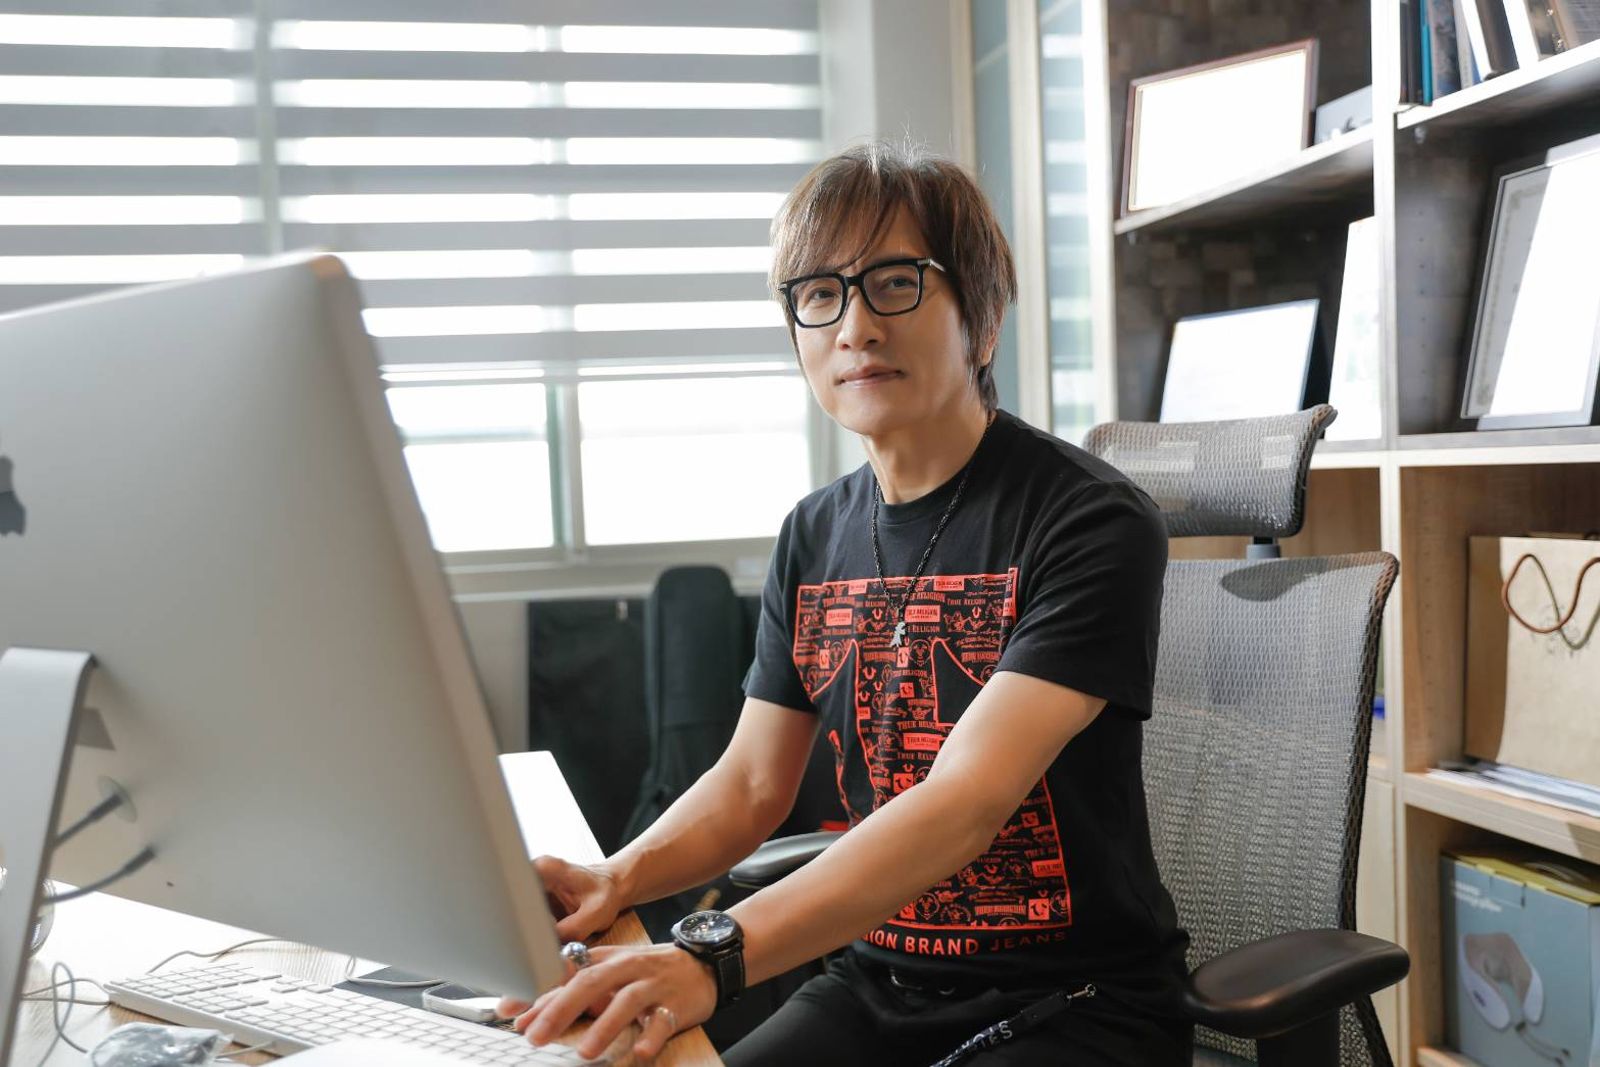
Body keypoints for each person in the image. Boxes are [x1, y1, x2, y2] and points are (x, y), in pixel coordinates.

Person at [498, 141, 1192, 1066]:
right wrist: (615, 875)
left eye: (896, 283)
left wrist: (714, 955)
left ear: (983, 319)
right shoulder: (814, 532)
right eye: (820, 294)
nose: (855, 326)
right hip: (877, 983)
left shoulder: (1087, 520)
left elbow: (965, 801)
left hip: (1075, 1004)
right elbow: (753, 784)